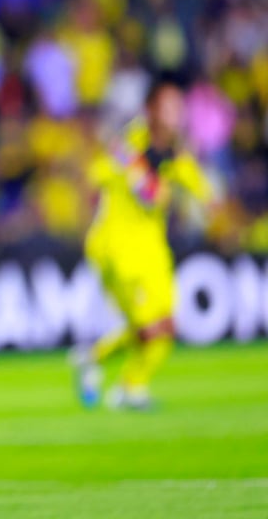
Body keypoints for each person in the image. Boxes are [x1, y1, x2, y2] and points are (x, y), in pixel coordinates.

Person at [72, 80, 212, 410]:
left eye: (180, 106)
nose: (177, 114)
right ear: (151, 110)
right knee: (150, 327)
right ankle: (110, 372)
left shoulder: (176, 152)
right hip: (118, 246)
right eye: (169, 106)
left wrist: (207, 203)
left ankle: (116, 377)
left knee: (165, 327)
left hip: (152, 249)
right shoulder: (129, 144)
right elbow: (141, 191)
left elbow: (199, 189)